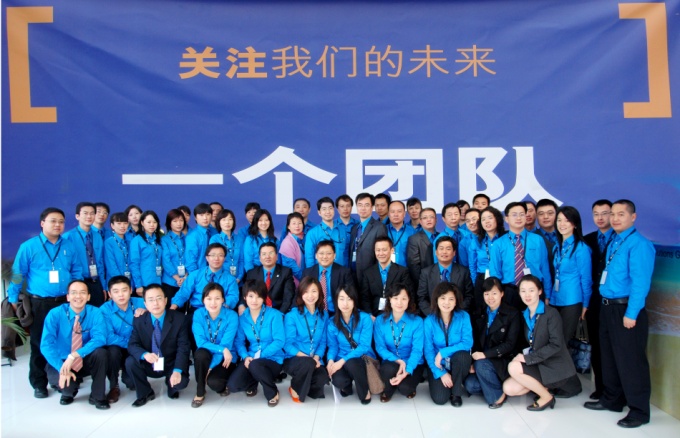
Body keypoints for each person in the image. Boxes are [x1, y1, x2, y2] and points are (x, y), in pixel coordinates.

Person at [583, 200, 655, 428]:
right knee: (609, 357)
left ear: (633, 217)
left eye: (620, 214)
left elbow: (640, 284)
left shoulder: (639, 245)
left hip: (625, 309)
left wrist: (632, 313)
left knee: (630, 361)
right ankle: (612, 399)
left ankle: (639, 411)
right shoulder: (615, 241)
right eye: (612, 214)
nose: (614, 218)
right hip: (607, 307)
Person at [9, 207, 81, 399]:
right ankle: (39, 384)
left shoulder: (69, 246)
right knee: (40, 344)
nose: (58, 225)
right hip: (39, 304)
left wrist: (76, 296)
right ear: (42, 223)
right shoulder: (29, 247)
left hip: (65, 303)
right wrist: (13, 299)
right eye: (53, 221)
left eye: (61, 222)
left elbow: (76, 272)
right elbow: (17, 275)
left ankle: (58, 378)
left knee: (64, 342)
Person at [503, 275, 577, 411]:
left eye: (531, 290)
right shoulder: (525, 314)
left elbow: (556, 345)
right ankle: (544, 389)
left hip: (553, 366)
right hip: (538, 364)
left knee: (513, 368)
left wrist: (527, 359)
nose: (527, 295)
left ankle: (546, 397)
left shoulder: (551, 314)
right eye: (523, 291)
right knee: (509, 388)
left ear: (540, 291)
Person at [40, 279, 109, 409]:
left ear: (88, 297)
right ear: (67, 297)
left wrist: (75, 355)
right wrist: (62, 368)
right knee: (67, 389)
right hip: (62, 360)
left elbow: (100, 338)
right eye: (74, 293)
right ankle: (69, 389)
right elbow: (46, 344)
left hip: (83, 357)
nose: (78, 296)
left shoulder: (95, 312)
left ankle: (98, 396)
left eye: (82, 293)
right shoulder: (55, 314)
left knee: (101, 353)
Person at [126, 284, 191, 407]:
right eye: (150, 300)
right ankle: (145, 392)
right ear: (145, 304)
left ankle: (170, 382)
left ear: (166, 300)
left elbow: (183, 347)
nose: (155, 303)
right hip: (149, 362)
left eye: (159, 298)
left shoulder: (179, 319)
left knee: (180, 383)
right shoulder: (139, 320)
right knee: (130, 362)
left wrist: (177, 371)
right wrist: (144, 355)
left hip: (170, 363)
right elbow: (132, 344)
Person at [464, 277, 521, 409]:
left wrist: (485, 355)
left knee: (481, 366)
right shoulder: (480, 313)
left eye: (494, 293)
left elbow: (509, 344)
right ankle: (498, 386)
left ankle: (497, 396)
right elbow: (475, 343)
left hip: (503, 360)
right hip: (483, 362)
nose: (490, 297)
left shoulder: (512, 314)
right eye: (487, 294)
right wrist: (473, 362)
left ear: (502, 294)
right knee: (470, 385)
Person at [228, 280, 286, 406]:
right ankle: (252, 383)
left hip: (273, 359)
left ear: (264, 298)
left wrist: (259, 356)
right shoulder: (242, 318)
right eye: (251, 296)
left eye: (259, 296)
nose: (254, 300)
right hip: (252, 358)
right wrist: (245, 356)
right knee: (233, 385)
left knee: (255, 365)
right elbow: (239, 342)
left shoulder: (274, 315)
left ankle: (272, 392)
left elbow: (279, 341)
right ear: (245, 297)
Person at [489, 202, 552, 310]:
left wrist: (548, 295)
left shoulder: (537, 240)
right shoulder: (498, 244)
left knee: (535, 326)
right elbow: (495, 273)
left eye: (522, 214)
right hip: (509, 292)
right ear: (506, 219)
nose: (518, 217)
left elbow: (545, 269)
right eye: (514, 215)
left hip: (534, 291)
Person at [582, 199, 613, 400]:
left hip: (614, 299)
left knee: (612, 345)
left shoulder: (619, 240)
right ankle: (601, 387)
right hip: (593, 299)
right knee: (596, 343)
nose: (600, 218)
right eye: (596, 214)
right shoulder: (588, 240)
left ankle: (614, 390)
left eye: (605, 213)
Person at [423, 282, 472, 407]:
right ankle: (448, 381)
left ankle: (456, 393)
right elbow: (428, 351)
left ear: (456, 301)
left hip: (457, 362)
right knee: (440, 399)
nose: (447, 303)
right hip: (438, 364)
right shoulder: (429, 321)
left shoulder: (463, 316)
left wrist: (443, 352)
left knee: (462, 356)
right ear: (437, 300)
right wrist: (441, 373)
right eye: (443, 298)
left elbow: (467, 342)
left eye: (451, 299)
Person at [373, 284, 424, 402]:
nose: (399, 302)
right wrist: (398, 361)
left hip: (412, 362)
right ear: (389, 299)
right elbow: (380, 347)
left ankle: (403, 383)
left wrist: (407, 370)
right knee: (388, 370)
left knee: (405, 389)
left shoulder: (417, 321)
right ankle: (390, 387)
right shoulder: (380, 320)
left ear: (409, 301)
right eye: (395, 298)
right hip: (392, 361)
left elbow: (417, 350)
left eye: (403, 298)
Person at [191, 283, 239, 408]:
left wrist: (210, 368)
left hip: (226, 358)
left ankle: (220, 382)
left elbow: (226, 344)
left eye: (217, 298)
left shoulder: (232, 316)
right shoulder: (198, 314)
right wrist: (221, 349)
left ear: (223, 299)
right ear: (203, 300)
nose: (213, 303)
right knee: (200, 353)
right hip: (209, 353)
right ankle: (200, 392)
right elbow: (201, 342)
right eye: (209, 298)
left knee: (215, 383)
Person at [283, 277, 330, 402]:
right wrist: (308, 359)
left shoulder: (323, 315)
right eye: (306, 292)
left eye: (314, 291)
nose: (310, 295)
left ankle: (302, 382)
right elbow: (287, 345)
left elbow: (323, 342)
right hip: (294, 359)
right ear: (301, 294)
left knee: (322, 378)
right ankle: (294, 388)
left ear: (320, 292)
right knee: (307, 364)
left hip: (313, 359)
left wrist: (316, 358)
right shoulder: (292, 316)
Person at [326, 284, 375, 404]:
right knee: (338, 381)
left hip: (361, 357)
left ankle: (365, 392)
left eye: (349, 299)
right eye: (341, 299)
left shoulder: (364, 318)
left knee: (352, 363)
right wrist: (331, 361)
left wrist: (342, 361)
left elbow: (364, 346)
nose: (345, 303)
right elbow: (333, 346)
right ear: (336, 301)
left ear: (354, 300)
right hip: (341, 358)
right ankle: (347, 387)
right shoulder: (332, 322)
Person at [100, 275, 145, 403]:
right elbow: (108, 336)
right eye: (116, 291)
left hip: (137, 347)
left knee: (131, 384)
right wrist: (130, 345)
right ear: (109, 293)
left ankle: (131, 376)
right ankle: (114, 386)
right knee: (112, 351)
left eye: (124, 290)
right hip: (118, 346)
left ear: (131, 290)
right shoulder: (104, 309)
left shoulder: (141, 303)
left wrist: (146, 312)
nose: (121, 295)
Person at [553, 206, 592, 344]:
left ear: (575, 224)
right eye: (559, 220)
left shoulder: (581, 248)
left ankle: (565, 366)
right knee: (553, 340)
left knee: (563, 343)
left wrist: (585, 305)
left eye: (567, 220)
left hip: (572, 301)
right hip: (555, 299)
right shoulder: (557, 246)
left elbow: (586, 280)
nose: (562, 224)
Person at [171, 243, 240, 318]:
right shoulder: (195, 275)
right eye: (213, 255)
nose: (216, 258)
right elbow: (183, 293)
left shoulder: (230, 279)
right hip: (196, 310)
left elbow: (233, 297)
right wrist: (173, 308)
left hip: (220, 311)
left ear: (224, 258)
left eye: (220, 255)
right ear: (207, 258)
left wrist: (219, 307)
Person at [63, 202, 107, 306]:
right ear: (77, 216)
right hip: (78, 284)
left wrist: (103, 286)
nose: (89, 216)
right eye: (85, 213)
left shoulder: (97, 236)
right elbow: (66, 265)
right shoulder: (68, 237)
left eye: (92, 213)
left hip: (96, 283)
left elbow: (100, 263)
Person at [417, 236, 474, 315]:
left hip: (457, 316)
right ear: (436, 252)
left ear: (454, 253)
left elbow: (469, 296)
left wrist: (456, 314)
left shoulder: (464, 272)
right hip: (433, 317)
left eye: (448, 249)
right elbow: (422, 298)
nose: (444, 252)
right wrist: (433, 315)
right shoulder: (426, 273)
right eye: (441, 248)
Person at [360, 236, 413, 317]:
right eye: (378, 250)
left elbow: (408, 296)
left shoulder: (402, 272)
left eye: (384, 250)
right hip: (374, 316)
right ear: (374, 251)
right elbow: (364, 298)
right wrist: (369, 315)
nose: (381, 253)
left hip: (397, 314)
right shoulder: (368, 273)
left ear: (392, 250)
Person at [302, 240, 355, 316]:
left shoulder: (344, 273)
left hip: (337, 313)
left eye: (329, 253)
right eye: (321, 253)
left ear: (334, 255)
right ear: (316, 255)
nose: (324, 257)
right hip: (314, 313)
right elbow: (300, 293)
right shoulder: (307, 273)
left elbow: (351, 295)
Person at [469, 207, 506, 313]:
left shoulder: (506, 238)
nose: (487, 221)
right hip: (482, 279)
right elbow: (472, 265)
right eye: (483, 219)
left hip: (501, 278)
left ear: (497, 219)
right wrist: (476, 282)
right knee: (482, 312)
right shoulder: (476, 241)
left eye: (490, 218)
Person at [243, 242, 296, 314]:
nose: (267, 257)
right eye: (264, 254)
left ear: (277, 256)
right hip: (257, 311)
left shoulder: (286, 272)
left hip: (279, 311)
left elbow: (288, 297)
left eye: (271, 253)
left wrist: (280, 315)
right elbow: (246, 294)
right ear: (260, 258)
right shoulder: (252, 273)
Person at [348, 193, 388, 286]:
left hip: (371, 277)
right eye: (360, 205)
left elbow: (382, 255)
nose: (363, 208)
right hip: (353, 276)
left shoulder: (379, 227)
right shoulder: (355, 228)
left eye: (367, 205)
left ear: (372, 207)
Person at [305, 197, 348, 268]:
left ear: (334, 210)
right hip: (321, 274)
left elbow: (346, 254)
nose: (328, 212)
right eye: (324, 209)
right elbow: (309, 258)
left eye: (330, 208)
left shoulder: (342, 230)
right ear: (319, 212)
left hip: (341, 273)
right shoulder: (312, 233)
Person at [129, 210, 164, 297]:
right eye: (148, 222)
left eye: (154, 222)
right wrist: (138, 285)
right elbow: (134, 264)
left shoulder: (158, 240)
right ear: (142, 223)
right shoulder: (137, 240)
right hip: (144, 283)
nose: (152, 225)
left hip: (158, 280)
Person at [406, 207, 438, 289]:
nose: (429, 220)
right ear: (420, 221)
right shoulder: (414, 239)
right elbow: (414, 266)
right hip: (424, 283)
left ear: (436, 219)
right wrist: (423, 284)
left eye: (431, 217)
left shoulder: (441, 236)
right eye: (425, 218)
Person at [161, 209, 187, 305]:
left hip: (185, 280)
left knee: (183, 311)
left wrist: (185, 277)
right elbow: (166, 261)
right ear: (169, 223)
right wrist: (177, 278)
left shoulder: (186, 238)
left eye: (181, 220)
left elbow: (189, 259)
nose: (178, 224)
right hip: (170, 282)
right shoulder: (165, 240)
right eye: (175, 221)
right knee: (171, 311)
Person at [210, 208, 244, 283]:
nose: (227, 222)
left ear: (233, 222)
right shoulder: (215, 239)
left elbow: (241, 260)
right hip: (220, 280)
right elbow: (214, 261)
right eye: (224, 220)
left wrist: (239, 277)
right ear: (219, 222)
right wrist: (226, 279)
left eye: (230, 219)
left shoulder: (239, 239)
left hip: (237, 280)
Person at [104, 212, 135, 291]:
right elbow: (112, 267)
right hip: (116, 284)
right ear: (112, 225)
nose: (122, 226)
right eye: (119, 223)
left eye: (125, 223)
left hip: (131, 284)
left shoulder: (131, 242)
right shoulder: (109, 243)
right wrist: (123, 283)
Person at [184, 203, 216, 273]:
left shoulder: (215, 232)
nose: (205, 218)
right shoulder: (192, 236)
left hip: (216, 273)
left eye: (208, 214)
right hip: (200, 274)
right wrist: (197, 277)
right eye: (201, 215)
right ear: (195, 217)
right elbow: (190, 261)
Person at [279, 212, 306, 285]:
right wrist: (305, 280)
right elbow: (292, 267)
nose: (297, 226)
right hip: (294, 282)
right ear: (288, 226)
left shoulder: (303, 239)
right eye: (294, 223)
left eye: (299, 223)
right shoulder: (287, 243)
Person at [386, 200, 414, 266]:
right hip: (386, 272)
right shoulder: (382, 230)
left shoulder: (412, 232)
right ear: (388, 214)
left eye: (399, 211)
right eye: (392, 212)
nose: (396, 214)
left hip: (406, 272)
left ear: (404, 214)